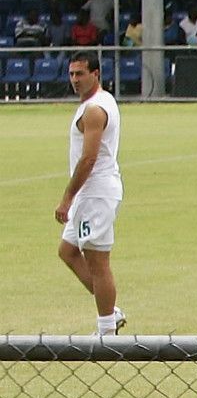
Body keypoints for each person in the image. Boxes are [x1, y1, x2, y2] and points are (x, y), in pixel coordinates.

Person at [54, 54, 125, 336]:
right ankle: (112, 310)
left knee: (98, 262)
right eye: (71, 74)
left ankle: (106, 328)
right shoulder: (98, 102)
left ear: (95, 73)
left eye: (80, 74)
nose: (74, 80)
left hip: (95, 194)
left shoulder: (95, 109)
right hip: (91, 194)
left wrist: (67, 197)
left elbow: (88, 159)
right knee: (68, 251)